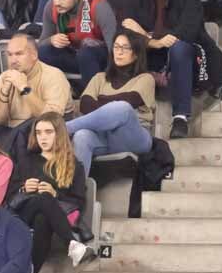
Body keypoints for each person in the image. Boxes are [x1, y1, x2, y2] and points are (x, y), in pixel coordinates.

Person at [123, 0, 210, 139]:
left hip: (182, 50)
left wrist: (147, 35)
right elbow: (127, 26)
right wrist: (152, 41)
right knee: (120, 45)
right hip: (149, 50)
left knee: (180, 48)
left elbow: (189, 30)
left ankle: (180, 117)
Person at [7, 113, 94, 273]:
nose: (42, 137)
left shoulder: (74, 165)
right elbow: (9, 197)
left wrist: (56, 194)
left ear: (59, 134)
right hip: (22, 214)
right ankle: (72, 243)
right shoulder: (27, 160)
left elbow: (78, 202)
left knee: (43, 219)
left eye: (48, 132)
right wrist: (23, 187)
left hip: (50, 218)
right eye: (38, 132)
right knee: (43, 199)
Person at [66, 30, 155, 175]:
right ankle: (76, 193)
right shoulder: (99, 78)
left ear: (137, 53)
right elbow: (85, 104)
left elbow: (130, 100)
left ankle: (64, 129)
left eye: (125, 48)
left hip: (135, 136)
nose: (119, 52)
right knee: (82, 135)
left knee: (123, 108)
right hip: (105, 136)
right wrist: (110, 104)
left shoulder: (145, 78)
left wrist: (101, 100)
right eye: (116, 46)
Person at [0, 34, 71, 146]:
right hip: (11, 133)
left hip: (43, 135)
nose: (13, 60)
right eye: (10, 55)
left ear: (34, 55)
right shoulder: (4, 77)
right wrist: (4, 92)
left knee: (29, 126)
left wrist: (24, 88)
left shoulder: (53, 76)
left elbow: (51, 119)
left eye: (19, 54)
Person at [37, 0, 118, 87]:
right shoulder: (51, 7)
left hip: (100, 58)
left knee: (86, 53)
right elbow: (41, 43)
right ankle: (61, 92)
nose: (57, 3)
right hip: (74, 55)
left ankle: (93, 97)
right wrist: (51, 40)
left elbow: (114, 49)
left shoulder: (99, 6)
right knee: (43, 52)